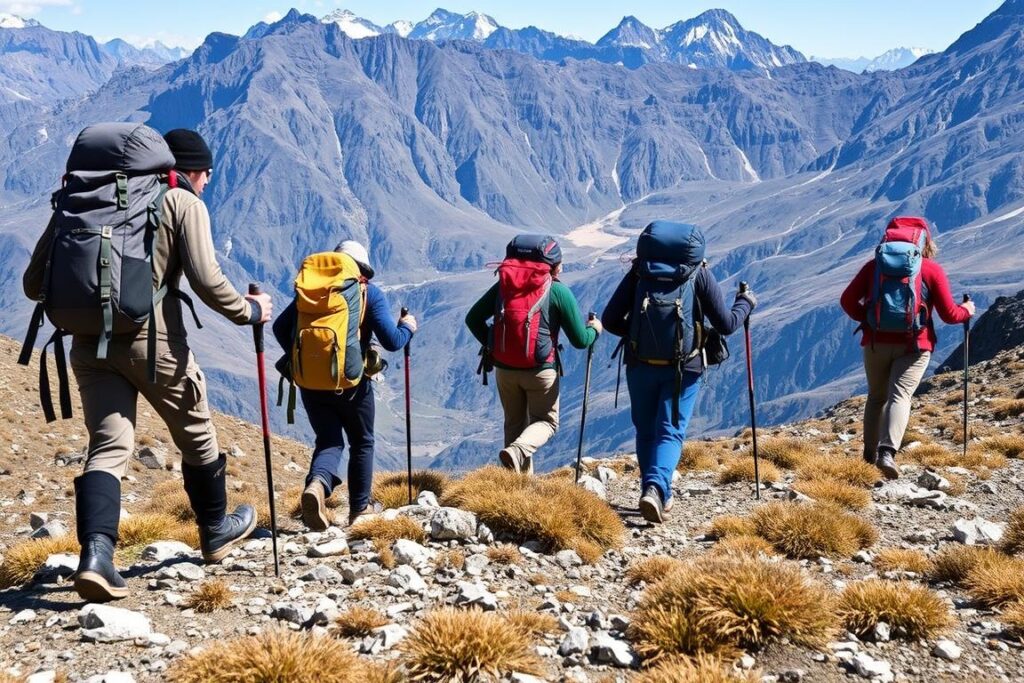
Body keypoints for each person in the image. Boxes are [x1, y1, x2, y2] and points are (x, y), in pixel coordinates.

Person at [22, 126, 272, 602]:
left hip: (88, 345)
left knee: (108, 446)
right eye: (206, 175)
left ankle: (96, 557)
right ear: (190, 171)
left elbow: (34, 285)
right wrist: (252, 311)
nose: (206, 184)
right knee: (197, 433)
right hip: (152, 344)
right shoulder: (181, 203)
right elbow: (208, 280)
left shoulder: (79, 201)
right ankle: (215, 529)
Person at [601, 221, 754, 523]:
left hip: (639, 365)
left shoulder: (639, 272)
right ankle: (657, 489)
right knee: (669, 431)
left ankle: (653, 490)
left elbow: (609, 319)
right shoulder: (698, 274)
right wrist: (745, 304)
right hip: (683, 369)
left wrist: (635, 337)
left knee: (645, 430)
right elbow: (725, 324)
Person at [273, 240, 417, 529]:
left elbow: (279, 328)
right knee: (362, 441)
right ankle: (359, 509)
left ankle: (317, 485)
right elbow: (392, 341)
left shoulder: (310, 292)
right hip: (351, 384)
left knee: (329, 440)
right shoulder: (368, 293)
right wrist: (408, 327)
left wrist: (304, 358)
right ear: (362, 269)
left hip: (311, 383)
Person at [841, 217, 974, 480]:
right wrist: (966, 311)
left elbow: (847, 301)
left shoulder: (873, 268)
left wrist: (868, 319)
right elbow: (949, 314)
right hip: (915, 344)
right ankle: (887, 453)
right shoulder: (931, 270)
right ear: (924, 241)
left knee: (876, 397)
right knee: (899, 396)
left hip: (876, 343)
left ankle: (868, 457)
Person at [465, 235, 602, 474]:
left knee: (514, 425)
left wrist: (492, 343)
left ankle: (518, 489)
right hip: (540, 372)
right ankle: (517, 453)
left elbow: (473, 318)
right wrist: (594, 330)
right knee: (547, 422)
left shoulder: (503, 288)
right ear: (554, 266)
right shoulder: (558, 292)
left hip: (505, 369)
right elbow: (580, 341)